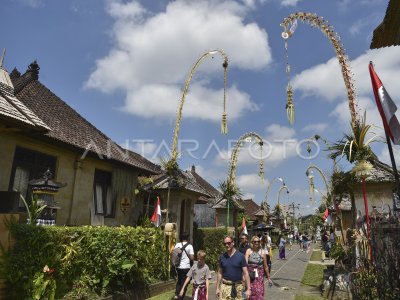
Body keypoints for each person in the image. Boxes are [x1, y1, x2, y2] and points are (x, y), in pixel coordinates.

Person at [174, 232, 194, 300]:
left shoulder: (177, 245)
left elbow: (174, 254)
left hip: (178, 267)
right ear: (188, 238)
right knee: (184, 283)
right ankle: (181, 297)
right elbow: (192, 258)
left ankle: (177, 294)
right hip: (186, 267)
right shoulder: (190, 246)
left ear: (181, 237)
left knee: (179, 281)